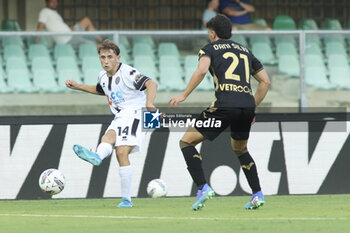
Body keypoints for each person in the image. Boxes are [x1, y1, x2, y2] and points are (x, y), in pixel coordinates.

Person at [169, 14, 270, 211]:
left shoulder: (209, 49)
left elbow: (201, 70)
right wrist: (251, 107)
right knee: (240, 149)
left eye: (209, 33)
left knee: (186, 142)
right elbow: (265, 81)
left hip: (224, 105)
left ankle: (202, 188)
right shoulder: (245, 51)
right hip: (246, 106)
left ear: (213, 34)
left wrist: (184, 95)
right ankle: (257, 194)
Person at [65, 39, 158, 208]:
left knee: (121, 151)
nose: (106, 61)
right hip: (121, 115)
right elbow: (101, 89)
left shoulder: (128, 73)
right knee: (107, 138)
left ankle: (126, 199)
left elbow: (151, 83)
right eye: (102, 57)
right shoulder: (102, 76)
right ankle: (97, 157)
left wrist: (149, 103)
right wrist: (78, 86)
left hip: (137, 113)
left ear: (118, 58)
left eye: (109, 57)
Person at [36, 0, 102, 47]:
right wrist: (36, 42)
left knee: (86, 20)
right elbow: (39, 27)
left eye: (55, 1)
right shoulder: (44, 12)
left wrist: (69, 28)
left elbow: (59, 26)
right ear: (46, 3)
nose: (54, 3)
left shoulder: (55, 13)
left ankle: (101, 40)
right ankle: (102, 43)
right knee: (93, 44)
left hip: (71, 33)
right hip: (66, 40)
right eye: (52, 2)